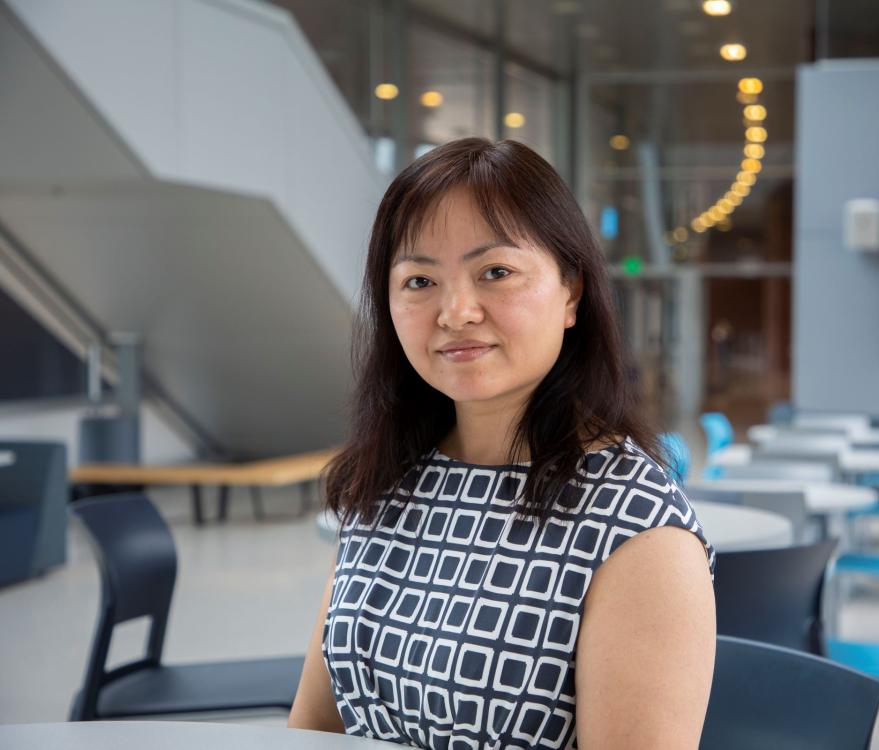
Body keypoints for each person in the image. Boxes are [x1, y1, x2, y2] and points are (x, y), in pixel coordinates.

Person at [289, 138, 716, 748]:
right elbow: (315, 729)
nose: (456, 311)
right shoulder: (389, 479)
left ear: (571, 292)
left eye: (496, 272)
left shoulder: (638, 533)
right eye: (418, 280)